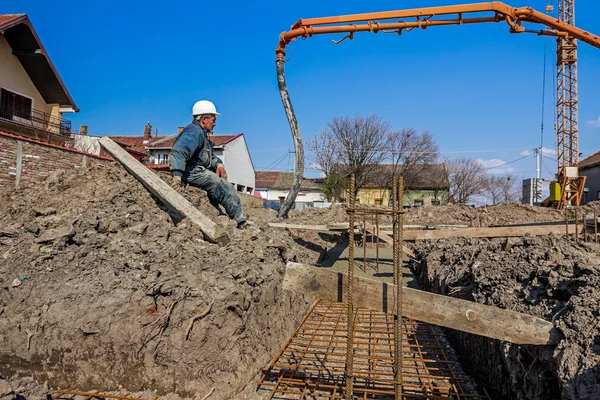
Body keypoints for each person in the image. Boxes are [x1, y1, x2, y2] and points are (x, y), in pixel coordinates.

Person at [168, 100, 249, 229]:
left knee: (219, 181)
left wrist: (218, 164)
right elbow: (179, 152)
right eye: (213, 120)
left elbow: (208, 157)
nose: (215, 123)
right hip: (192, 172)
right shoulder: (194, 132)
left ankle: (217, 207)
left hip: (198, 169)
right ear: (204, 119)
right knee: (225, 187)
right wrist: (177, 176)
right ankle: (241, 222)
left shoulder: (202, 134)